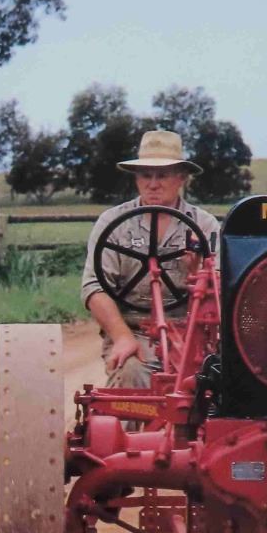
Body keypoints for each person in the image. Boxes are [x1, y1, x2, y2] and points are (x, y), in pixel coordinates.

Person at [80, 129, 221, 389]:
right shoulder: (113, 223)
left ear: (182, 177)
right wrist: (122, 337)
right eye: (146, 175)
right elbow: (94, 287)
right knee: (131, 372)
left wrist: (197, 272)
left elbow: (218, 287)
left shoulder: (205, 225)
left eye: (162, 175)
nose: (153, 184)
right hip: (134, 330)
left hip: (191, 334)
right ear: (136, 178)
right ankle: (129, 417)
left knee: (213, 383)